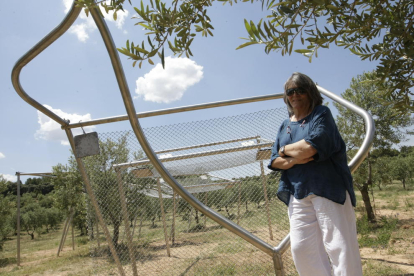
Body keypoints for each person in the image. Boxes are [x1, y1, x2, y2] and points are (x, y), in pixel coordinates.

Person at [268, 72, 363, 276]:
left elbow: (311, 148)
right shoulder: (285, 125)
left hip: (327, 188)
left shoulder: (321, 114)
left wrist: (286, 151)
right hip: (298, 192)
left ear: (310, 92)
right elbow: (274, 160)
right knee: (301, 248)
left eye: (300, 90)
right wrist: (292, 156)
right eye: (290, 91)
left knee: (340, 247)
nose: (295, 95)